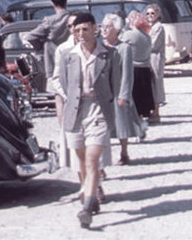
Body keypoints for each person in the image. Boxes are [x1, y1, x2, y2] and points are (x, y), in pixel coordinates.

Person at [52, 12, 127, 229]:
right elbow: (59, 80)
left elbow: (117, 80)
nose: (81, 34)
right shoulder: (68, 55)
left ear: (94, 28)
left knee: (93, 159)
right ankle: (91, 192)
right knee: (82, 158)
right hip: (75, 110)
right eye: (77, 30)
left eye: (85, 29)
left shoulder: (108, 55)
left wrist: (115, 100)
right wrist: (68, 96)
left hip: (98, 109)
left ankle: (86, 206)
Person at [102, 14, 146, 165]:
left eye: (108, 27)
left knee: (122, 123)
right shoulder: (99, 47)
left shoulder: (124, 48)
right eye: (103, 26)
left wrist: (124, 94)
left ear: (116, 29)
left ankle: (124, 151)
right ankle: (103, 156)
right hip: (103, 91)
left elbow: (128, 73)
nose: (104, 29)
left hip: (117, 90)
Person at [24, 0, 73, 79]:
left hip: (52, 59)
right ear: (66, 3)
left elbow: (30, 37)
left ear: (53, 4)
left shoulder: (49, 21)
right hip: (71, 58)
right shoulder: (72, 18)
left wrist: (41, 47)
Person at [123, 11, 159, 126]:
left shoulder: (128, 35)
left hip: (133, 69)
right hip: (145, 69)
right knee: (143, 98)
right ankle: (141, 119)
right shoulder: (147, 37)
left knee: (134, 96)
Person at [143, 6, 169, 122]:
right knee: (151, 84)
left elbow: (153, 44)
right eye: (148, 13)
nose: (150, 16)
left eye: (152, 13)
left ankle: (156, 112)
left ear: (158, 14)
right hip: (148, 57)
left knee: (156, 83)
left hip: (155, 57)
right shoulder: (150, 27)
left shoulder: (159, 27)